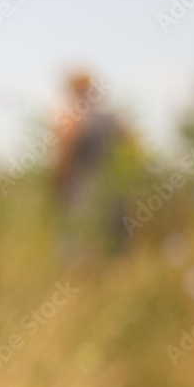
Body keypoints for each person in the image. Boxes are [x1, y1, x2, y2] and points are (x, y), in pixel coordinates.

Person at [52, 71, 134, 262]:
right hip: (116, 200)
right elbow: (131, 159)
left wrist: (57, 191)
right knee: (116, 258)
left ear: (75, 93)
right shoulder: (117, 122)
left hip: (83, 201)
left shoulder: (74, 123)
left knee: (81, 261)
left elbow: (64, 164)